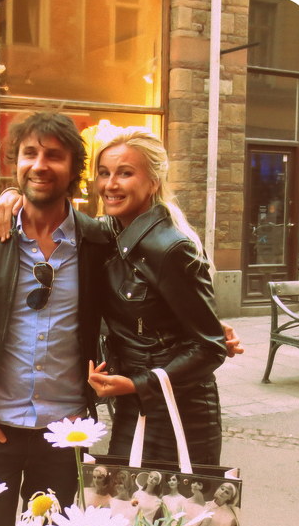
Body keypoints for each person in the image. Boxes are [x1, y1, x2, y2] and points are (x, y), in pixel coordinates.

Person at [0, 112, 113, 526]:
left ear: (73, 168)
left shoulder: (96, 240)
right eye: (29, 153)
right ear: (14, 163)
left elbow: (129, 309)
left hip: (63, 433)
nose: (40, 164)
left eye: (53, 155)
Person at [87, 129, 227, 465]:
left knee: (172, 500)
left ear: (153, 182)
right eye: (104, 173)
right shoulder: (111, 232)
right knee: (123, 496)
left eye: (125, 173)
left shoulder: (171, 247)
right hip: (134, 399)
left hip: (181, 409)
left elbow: (210, 347)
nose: (110, 184)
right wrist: (15, 198)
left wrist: (138, 384)